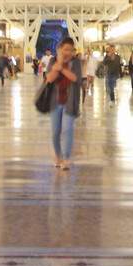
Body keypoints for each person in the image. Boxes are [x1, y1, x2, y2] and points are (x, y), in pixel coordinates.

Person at [45, 38, 85, 169]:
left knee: (67, 130)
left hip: (70, 101)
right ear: (60, 49)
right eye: (65, 49)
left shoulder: (76, 62)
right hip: (55, 102)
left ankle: (66, 158)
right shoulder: (52, 61)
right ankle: (58, 156)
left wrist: (61, 68)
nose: (68, 52)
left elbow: (76, 79)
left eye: (70, 50)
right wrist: (59, 64)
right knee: (55, 132)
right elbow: (49, 79)